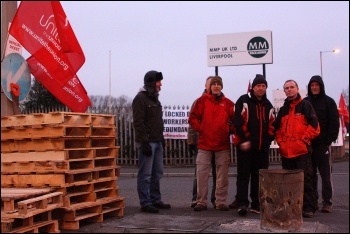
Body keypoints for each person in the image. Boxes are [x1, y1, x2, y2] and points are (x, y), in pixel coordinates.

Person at [230, 74, 276, 216]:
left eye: (263, 86)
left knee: (259, 177)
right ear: (253, 87)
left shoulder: (269, 105)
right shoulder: (243, 101)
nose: (260, 88)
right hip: (246, 146)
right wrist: (245, 140)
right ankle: (242, 203)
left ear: (266, 87)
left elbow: (273, 124)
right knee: (243, 175)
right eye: (258, 86)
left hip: (261, 148)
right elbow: (238, 120)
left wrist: (268, 139)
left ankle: (256, 204)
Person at [188, 76, 235, 212]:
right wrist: (201, 129)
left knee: (222, 176)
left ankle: (220, 202)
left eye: (218, 84)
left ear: (221, 86)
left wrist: (228, 129)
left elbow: (236, 121)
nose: (216, 86)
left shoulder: (229, 104)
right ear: (209, 87)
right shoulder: (201, 101)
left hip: (222, 145)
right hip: (204, 144)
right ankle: (201, 201)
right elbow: (192, 118)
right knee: (202, 174)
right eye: (213, 84)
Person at [275, 79, 320, 218]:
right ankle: (292, 206)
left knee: (306, 179)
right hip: (287, 152)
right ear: (284, 91)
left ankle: (309, 207)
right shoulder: (283, 110)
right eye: (287, 88)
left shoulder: (305, 105)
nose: (289, 89)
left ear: (297, 89)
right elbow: (277, 129)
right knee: (288, 182)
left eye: (291, 87)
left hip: (301, 151)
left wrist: (303, 140)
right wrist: (281, 143)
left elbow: (315, 126)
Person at [132, 70, 171, 213]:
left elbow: (157, 122)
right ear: (151, 82)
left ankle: (155, 199)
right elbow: (138, 122)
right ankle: (145, 202)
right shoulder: (140, 99)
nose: (160, 84)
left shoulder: (155, 99)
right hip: (147, 143)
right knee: (146, 175)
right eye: (158, 81)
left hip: (157, 141)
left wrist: (161, 139)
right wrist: (144, 142)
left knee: (157, 173)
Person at [304, 75, 340, 213]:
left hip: (322, 145)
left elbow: (334, 122)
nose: (314, 87)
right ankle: (313, 201)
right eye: (312, 85)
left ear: (321, 86)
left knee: (326, 174)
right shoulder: (305, 102)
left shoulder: (329, 102)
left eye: (316, 85)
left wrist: (328, 141)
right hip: (308, 145)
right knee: (310, 174)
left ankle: (327, 202)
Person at [188, 77, 217, 209]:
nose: (212, 86)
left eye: (215, 84)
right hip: (201, 142)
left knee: (218, 174)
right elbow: (192, 122)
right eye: (210, 83)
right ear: (206, 86)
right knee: (199, 173)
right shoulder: (198, 102)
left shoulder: (221, 101)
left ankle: (215, 199)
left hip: (217, 143)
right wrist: (191, 141)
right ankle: (196, 198)